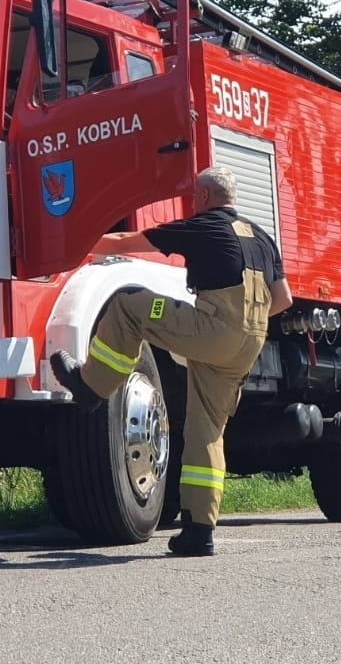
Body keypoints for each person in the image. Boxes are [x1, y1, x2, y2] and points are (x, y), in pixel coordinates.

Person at [49, 166, 293, 557]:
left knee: (129, 307)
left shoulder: (203, 226)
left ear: (203, 197)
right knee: (207, 430)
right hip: (250, 342)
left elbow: (126, 242)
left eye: (194, 197)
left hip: (213, 329)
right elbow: (283, 299)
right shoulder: (261, 237)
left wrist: (67, 242)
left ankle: (93, 385)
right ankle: (199, 531)